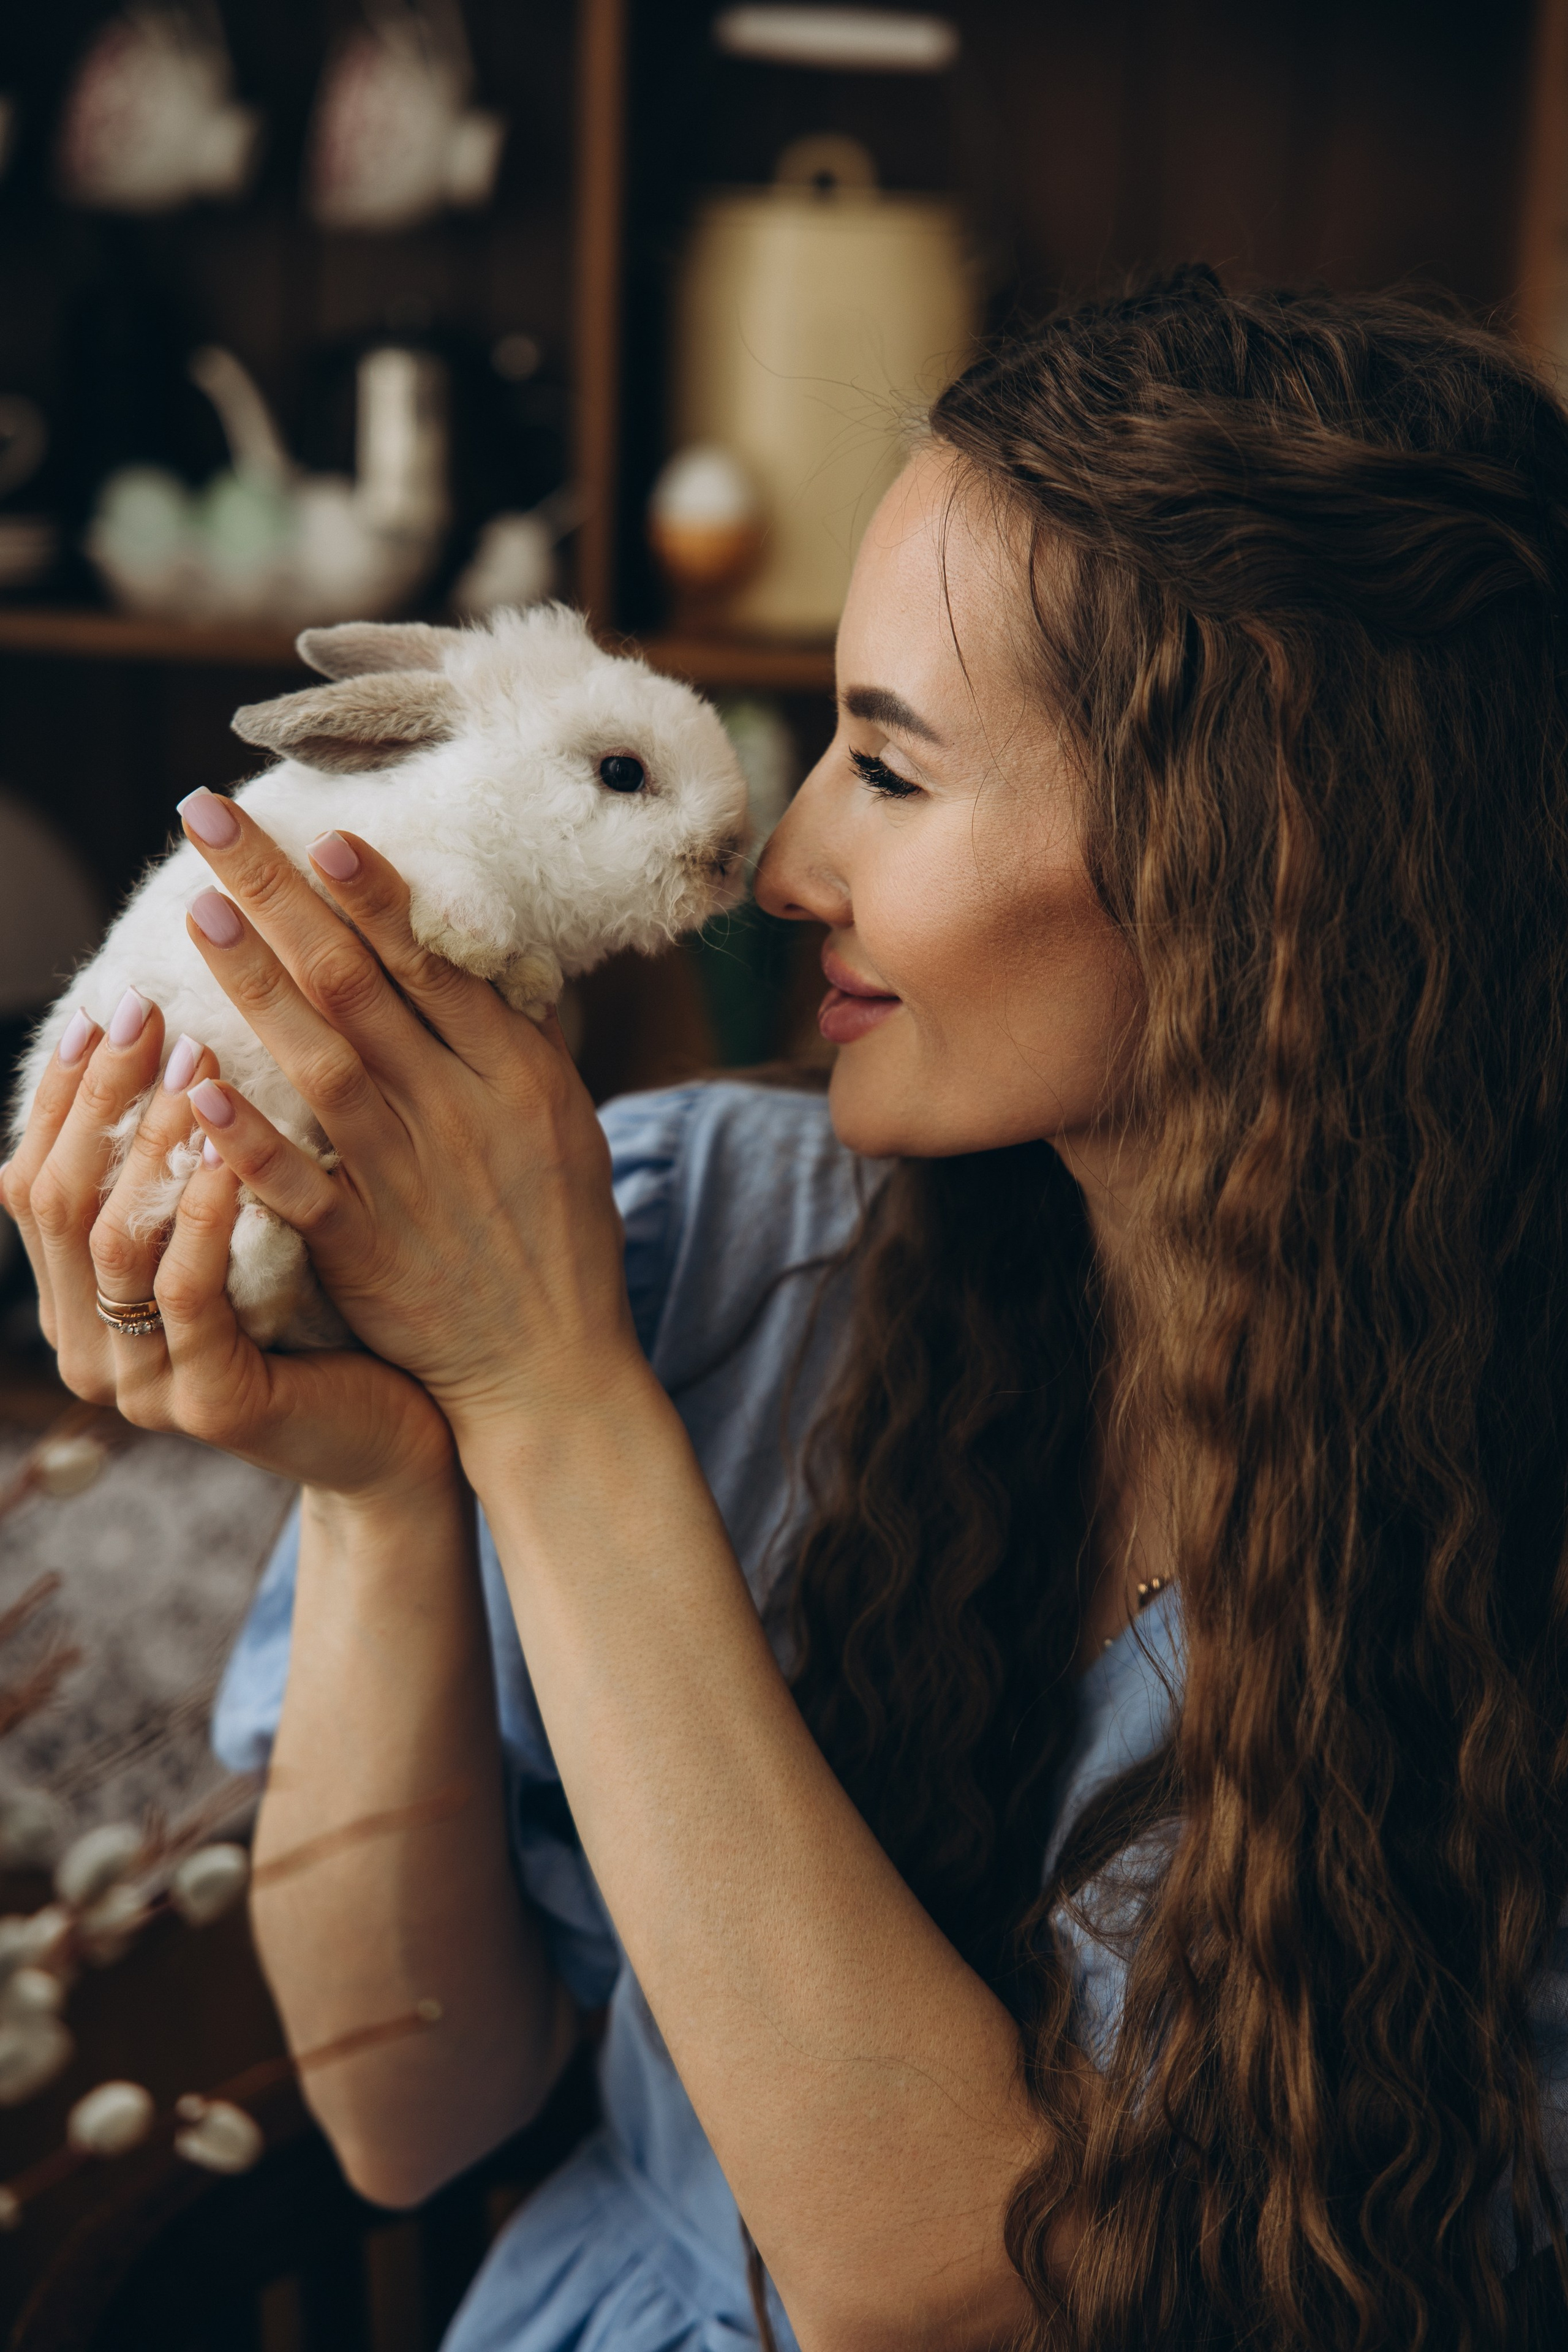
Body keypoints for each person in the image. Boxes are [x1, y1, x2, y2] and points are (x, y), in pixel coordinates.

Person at [6, 269, 1568, 2352]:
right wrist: (390, 1489)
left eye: (890, 772)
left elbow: (939, 2299)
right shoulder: (704, 1241)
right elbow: (408, 2107)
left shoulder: (1499, 1538)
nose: (786, 866)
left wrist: (548, 1402)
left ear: (1270, 864)